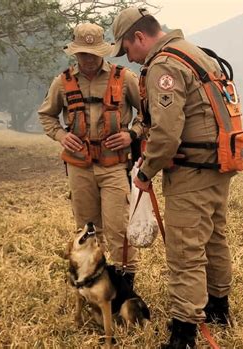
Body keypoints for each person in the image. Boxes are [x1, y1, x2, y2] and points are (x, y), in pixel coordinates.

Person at [112, 7, 235, 348]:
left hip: (192, 170)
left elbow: (166, 134)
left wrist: (145, 171)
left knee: (184, 251)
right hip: (216, 164)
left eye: (127, 49)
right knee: (213, 238)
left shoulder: (164, 63)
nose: (130, 59)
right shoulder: (194, 52)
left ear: (140, 36)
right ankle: (218, 308)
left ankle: (184, 332)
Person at [38, 23, 143, 288]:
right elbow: (46, 115)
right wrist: (62, 136)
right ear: (75, 53)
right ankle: (91, 281)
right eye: (82, 54)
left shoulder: (125, 78)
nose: (88, 60)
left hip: (114, 165)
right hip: (79, 167)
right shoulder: (62, 82)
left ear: (103, 52)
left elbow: (148, 113)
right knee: (86, 229)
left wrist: (131, 135)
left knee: (119, 227)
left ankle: (123, 285)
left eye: (93, 54)